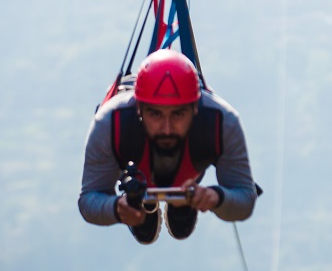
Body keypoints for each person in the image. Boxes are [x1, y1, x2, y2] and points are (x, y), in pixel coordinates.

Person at [79, 49, 257, 243]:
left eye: (178, 114)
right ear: (139, 109)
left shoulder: (223, 123)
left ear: (195, 108)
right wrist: (117, 208)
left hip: (186, 167)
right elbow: (88, 200)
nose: (166, 128)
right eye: (155, 114)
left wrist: (215, 197)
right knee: (145, 229)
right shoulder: (109, 124)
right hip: (147, 162)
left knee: (180, 227)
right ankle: (152, 205)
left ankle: (182, 203)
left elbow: (245, 198)